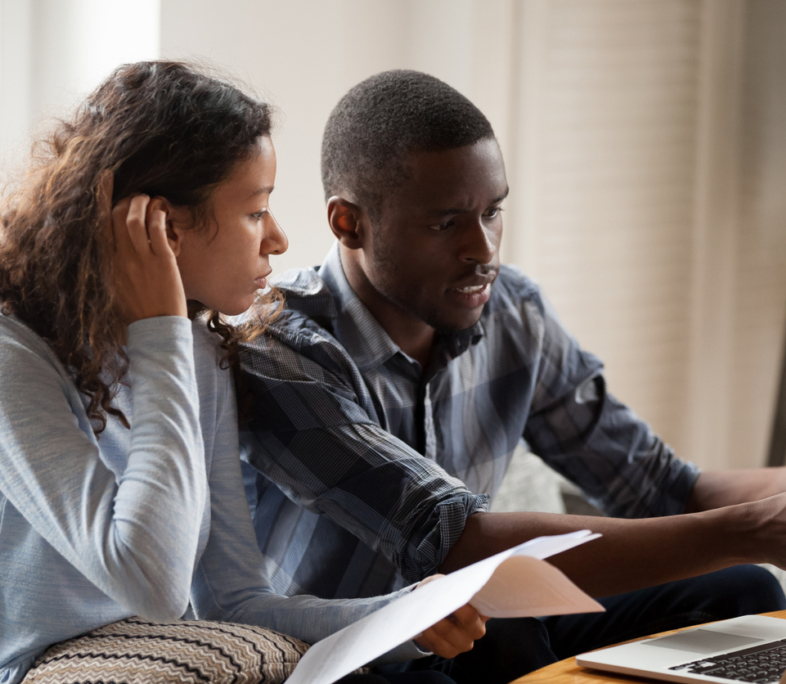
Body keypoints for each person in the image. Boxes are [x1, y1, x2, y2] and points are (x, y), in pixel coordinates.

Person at [237, 69, 786, 683]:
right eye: (447, 223)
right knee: (492, 634)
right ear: (349, 224)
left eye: (493, 212)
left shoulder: (512, 313)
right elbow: (457, 541)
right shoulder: (281, 349)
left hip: (480, 624)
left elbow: (659, 486)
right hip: (359, 653)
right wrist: (751, 528)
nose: (484, 249)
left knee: (739, 593)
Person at [0, 61, 485, 684]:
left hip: (166, 652)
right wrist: (163, 336)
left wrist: (400, 616)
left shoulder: (198, 359)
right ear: (164, 228)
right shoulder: (17, 360)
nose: (278, 239)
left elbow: (234, 602)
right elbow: (151, 582)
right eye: (256, 211)